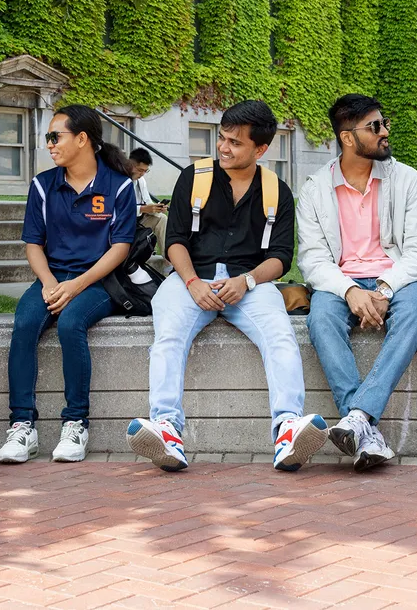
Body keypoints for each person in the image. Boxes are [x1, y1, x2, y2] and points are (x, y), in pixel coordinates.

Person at [127, 100, 327, 472]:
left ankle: (287, 431)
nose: (223, 147)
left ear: (260, 149)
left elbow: (282, 256)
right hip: (191, 277)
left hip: (249, 283)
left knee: (280, 336)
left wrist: (247, 281)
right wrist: (190, 282)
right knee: (168, 335)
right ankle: (167, 429)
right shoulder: (194, 177)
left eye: (235, 142)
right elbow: (175, 241)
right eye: (222, 138)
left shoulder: (277, 191)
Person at [296, 94, 417, 471]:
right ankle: (365, 428)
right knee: (321, 318)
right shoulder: (314, 188)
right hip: (339, 282)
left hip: (398, 276)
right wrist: (350, 290)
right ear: (347, 137)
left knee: (415, 311)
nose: (385, 131)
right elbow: (312, 259)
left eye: (384, 122)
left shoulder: (406, 179)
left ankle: (356, 418)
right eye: (375, 126)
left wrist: (384, 289)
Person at [0, 105, 136, 464]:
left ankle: (76, 423)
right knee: (25, 324)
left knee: (72, 324)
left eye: (54, 137)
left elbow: (120, 248)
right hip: (51, 276)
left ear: (82, 139)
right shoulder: (43, 185)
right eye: (49, 138)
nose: (49, 144)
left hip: (98, 281)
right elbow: (33, 244)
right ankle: (22, 426)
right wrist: (47, 284)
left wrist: (75, 286)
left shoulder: (119, 185)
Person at [128, 147, 169, 257]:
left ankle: (169, 259)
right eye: (140, 170)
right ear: (130, 165)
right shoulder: (120, 180)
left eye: (145, 171)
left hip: (138, 222)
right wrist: (142, 209)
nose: (142, 174)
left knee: (161, 218)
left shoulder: (141, 181)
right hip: (124, 225)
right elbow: (118, 209)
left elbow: (147, 202)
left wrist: (157, 208)